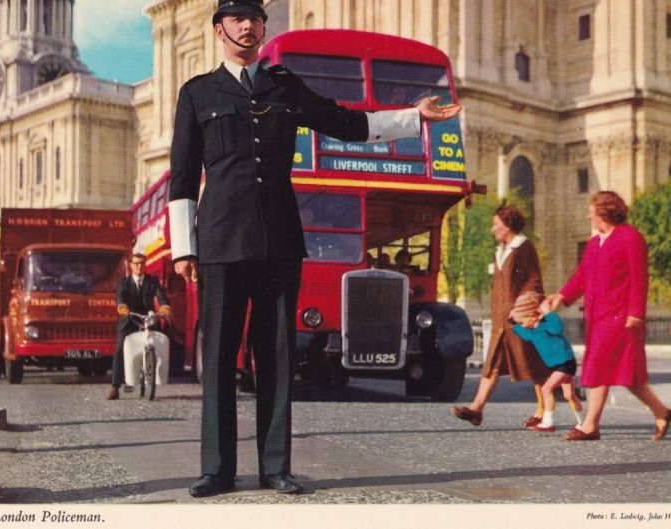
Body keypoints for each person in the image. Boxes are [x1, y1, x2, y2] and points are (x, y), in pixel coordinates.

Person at [168, 0, 462, 498]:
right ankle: (215, 470)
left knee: (277, 356)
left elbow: (346, 123)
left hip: (280, 240)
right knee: (218, 357)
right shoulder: (197, 94)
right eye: (237, 18)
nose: (248, 25)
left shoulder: (286, 86)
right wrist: (184, 249)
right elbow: (181, 177)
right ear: (220, 29)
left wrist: (414, 117)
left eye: (256, 18)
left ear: (263, 28)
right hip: (219, 240)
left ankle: (275, 467)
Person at [545, 191, 671, 441]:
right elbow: (581, 277)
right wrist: (561, 296)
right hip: (597, 317)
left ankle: (590, 425)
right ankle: (662, 412)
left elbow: (640, 278)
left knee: (599, 365)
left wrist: (636, 313)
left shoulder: (630, 237)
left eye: (591, 211)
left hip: (621, 317)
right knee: (628, 375)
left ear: (604, 212)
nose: (588, 215)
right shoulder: (595, 243)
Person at [452, 204, 551, 428]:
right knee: (492, 366)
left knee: (535, 366)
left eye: (496, 225)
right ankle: (477, 409)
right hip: (500, 321)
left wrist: (523, 307)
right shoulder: (501, 250)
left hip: (519, 319)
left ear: (507, 226)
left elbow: (534, 280)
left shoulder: (524, 247)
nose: (492, 229)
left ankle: (544, 412)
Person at [510, 291, 584, 433]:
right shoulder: (532, 330)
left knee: (546, 389)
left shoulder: (547, 325)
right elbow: (524, 335)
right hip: (558, 365)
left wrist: (548, 312)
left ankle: (548, 422)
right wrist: (513, 321)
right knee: (569, 395)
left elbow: (557, 328)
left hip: (565, 364)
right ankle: (582, 422)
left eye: (524, 321)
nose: (523, 325)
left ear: (533, 316)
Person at [108, 253, 171, 400]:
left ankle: (159, 374)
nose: (139, 266)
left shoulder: (152, 281)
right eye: (136, 263)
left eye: (142, 263)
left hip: (148, 319)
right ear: (130, 265)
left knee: (161, 340)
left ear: (145, 264)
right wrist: (122, 307)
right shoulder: (124, 282)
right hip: (130, 319)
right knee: (119, 349)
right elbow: (120, 296)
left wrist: (164, 305)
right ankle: (115, 387)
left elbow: (160, 295)